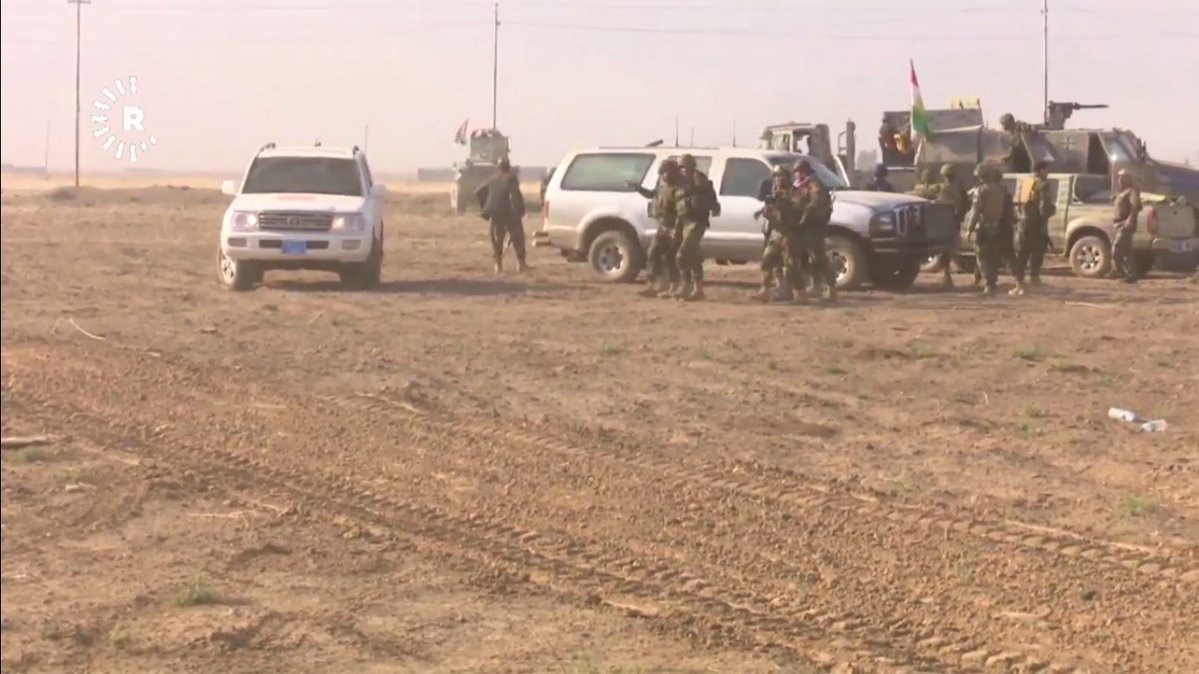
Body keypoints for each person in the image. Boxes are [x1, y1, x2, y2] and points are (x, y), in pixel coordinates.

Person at [750, 165, 804, 303]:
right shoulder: (775, 193)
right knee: (767, 260)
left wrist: (783, 205)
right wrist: (763, 211)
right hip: (776, 233)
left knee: (791, 266)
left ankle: (801, 293)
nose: (778, 179)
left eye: (781, 176)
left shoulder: (794, 193)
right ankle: (765, 291)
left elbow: (797, 212)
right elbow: (769, 207)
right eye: (775, 176)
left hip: (789, 234)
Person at [630, 159, 683, 297]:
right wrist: (638, 188)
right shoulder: (663, 187)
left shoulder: (679, 190)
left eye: (667, 172)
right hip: (663, 227)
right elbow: (652, 194)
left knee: (670, 258)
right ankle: (656, 284)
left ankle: (674, 285)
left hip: (674, 229)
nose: (664, 176)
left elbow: (682, 213)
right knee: (653, 254)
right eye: (663, 173)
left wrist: (676, 230)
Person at [673, 154, 719, 301]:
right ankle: (697, 289)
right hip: (685, 221)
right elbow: (679, 205)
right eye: (680, 168)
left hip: (697, 222)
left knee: (682, 255)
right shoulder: (680, 183)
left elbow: (709, 196)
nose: (682, 171)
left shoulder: (699, 180)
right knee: (692, 255)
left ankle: (687, 286)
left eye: (684, 167)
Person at [474, 158, 528, 274]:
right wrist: (517, 211)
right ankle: (521, 264)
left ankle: (498, 266)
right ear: (509, 167)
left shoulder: (491, 180)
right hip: (509, 213)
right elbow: (513, 195)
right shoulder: (511, 179)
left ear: (498, 168)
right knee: (518, 238)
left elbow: (478, 192)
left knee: (497, 240)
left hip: (496, 213)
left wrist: (485, 207)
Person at [794, 159, 837, 303]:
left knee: (819, 258)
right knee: (805, 258)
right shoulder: (800, 184)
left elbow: (816, 201)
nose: (797, 175)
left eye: (799, 172)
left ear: (804, 171)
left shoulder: (813, 183)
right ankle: (815, 285)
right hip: (804, 227)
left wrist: (805, 214)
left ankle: (831, 288)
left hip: (814, 226)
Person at [1011, 160, 1056, 294]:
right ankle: (1034, 281)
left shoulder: (1024, 183)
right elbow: (1044, 208)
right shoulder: (1042, 185)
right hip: (1036, 225)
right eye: (1047, 170)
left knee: (1022, 254)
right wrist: (1052, 210)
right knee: (1037, 253)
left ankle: (1019, 284)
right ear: (1041, 170)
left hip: (1022, 224)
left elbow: (1016, 203)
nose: (1048, 173)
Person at [966, 163, 1006, 296]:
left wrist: (969, 229)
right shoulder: (1000, 189)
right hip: (997, 226)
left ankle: (989, 286)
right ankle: (989, 282)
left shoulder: (982, 190)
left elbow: (975, 211)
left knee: (982, 255)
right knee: (993, 255)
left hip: (984, 226)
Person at [933, 164, 970, 288]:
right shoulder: (960, 188)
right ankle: (948, 276)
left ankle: (947, 277)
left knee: (944, 250)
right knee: (949, 249)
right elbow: (967, 203)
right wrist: (961, 216)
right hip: (955, 221)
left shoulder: (941, 188)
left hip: (944, 222)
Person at [1111, 168, 1142, 283]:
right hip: (1118, 224)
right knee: (1126, 250)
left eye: (1122, 178)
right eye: (1119, 177)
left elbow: (1135, 206)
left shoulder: (1131, 191)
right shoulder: (1122, 193)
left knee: (1117, 249)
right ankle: (1129, 274)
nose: (1120, 180)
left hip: (1125, 223)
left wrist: (1130, 219)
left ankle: (1123, 272)